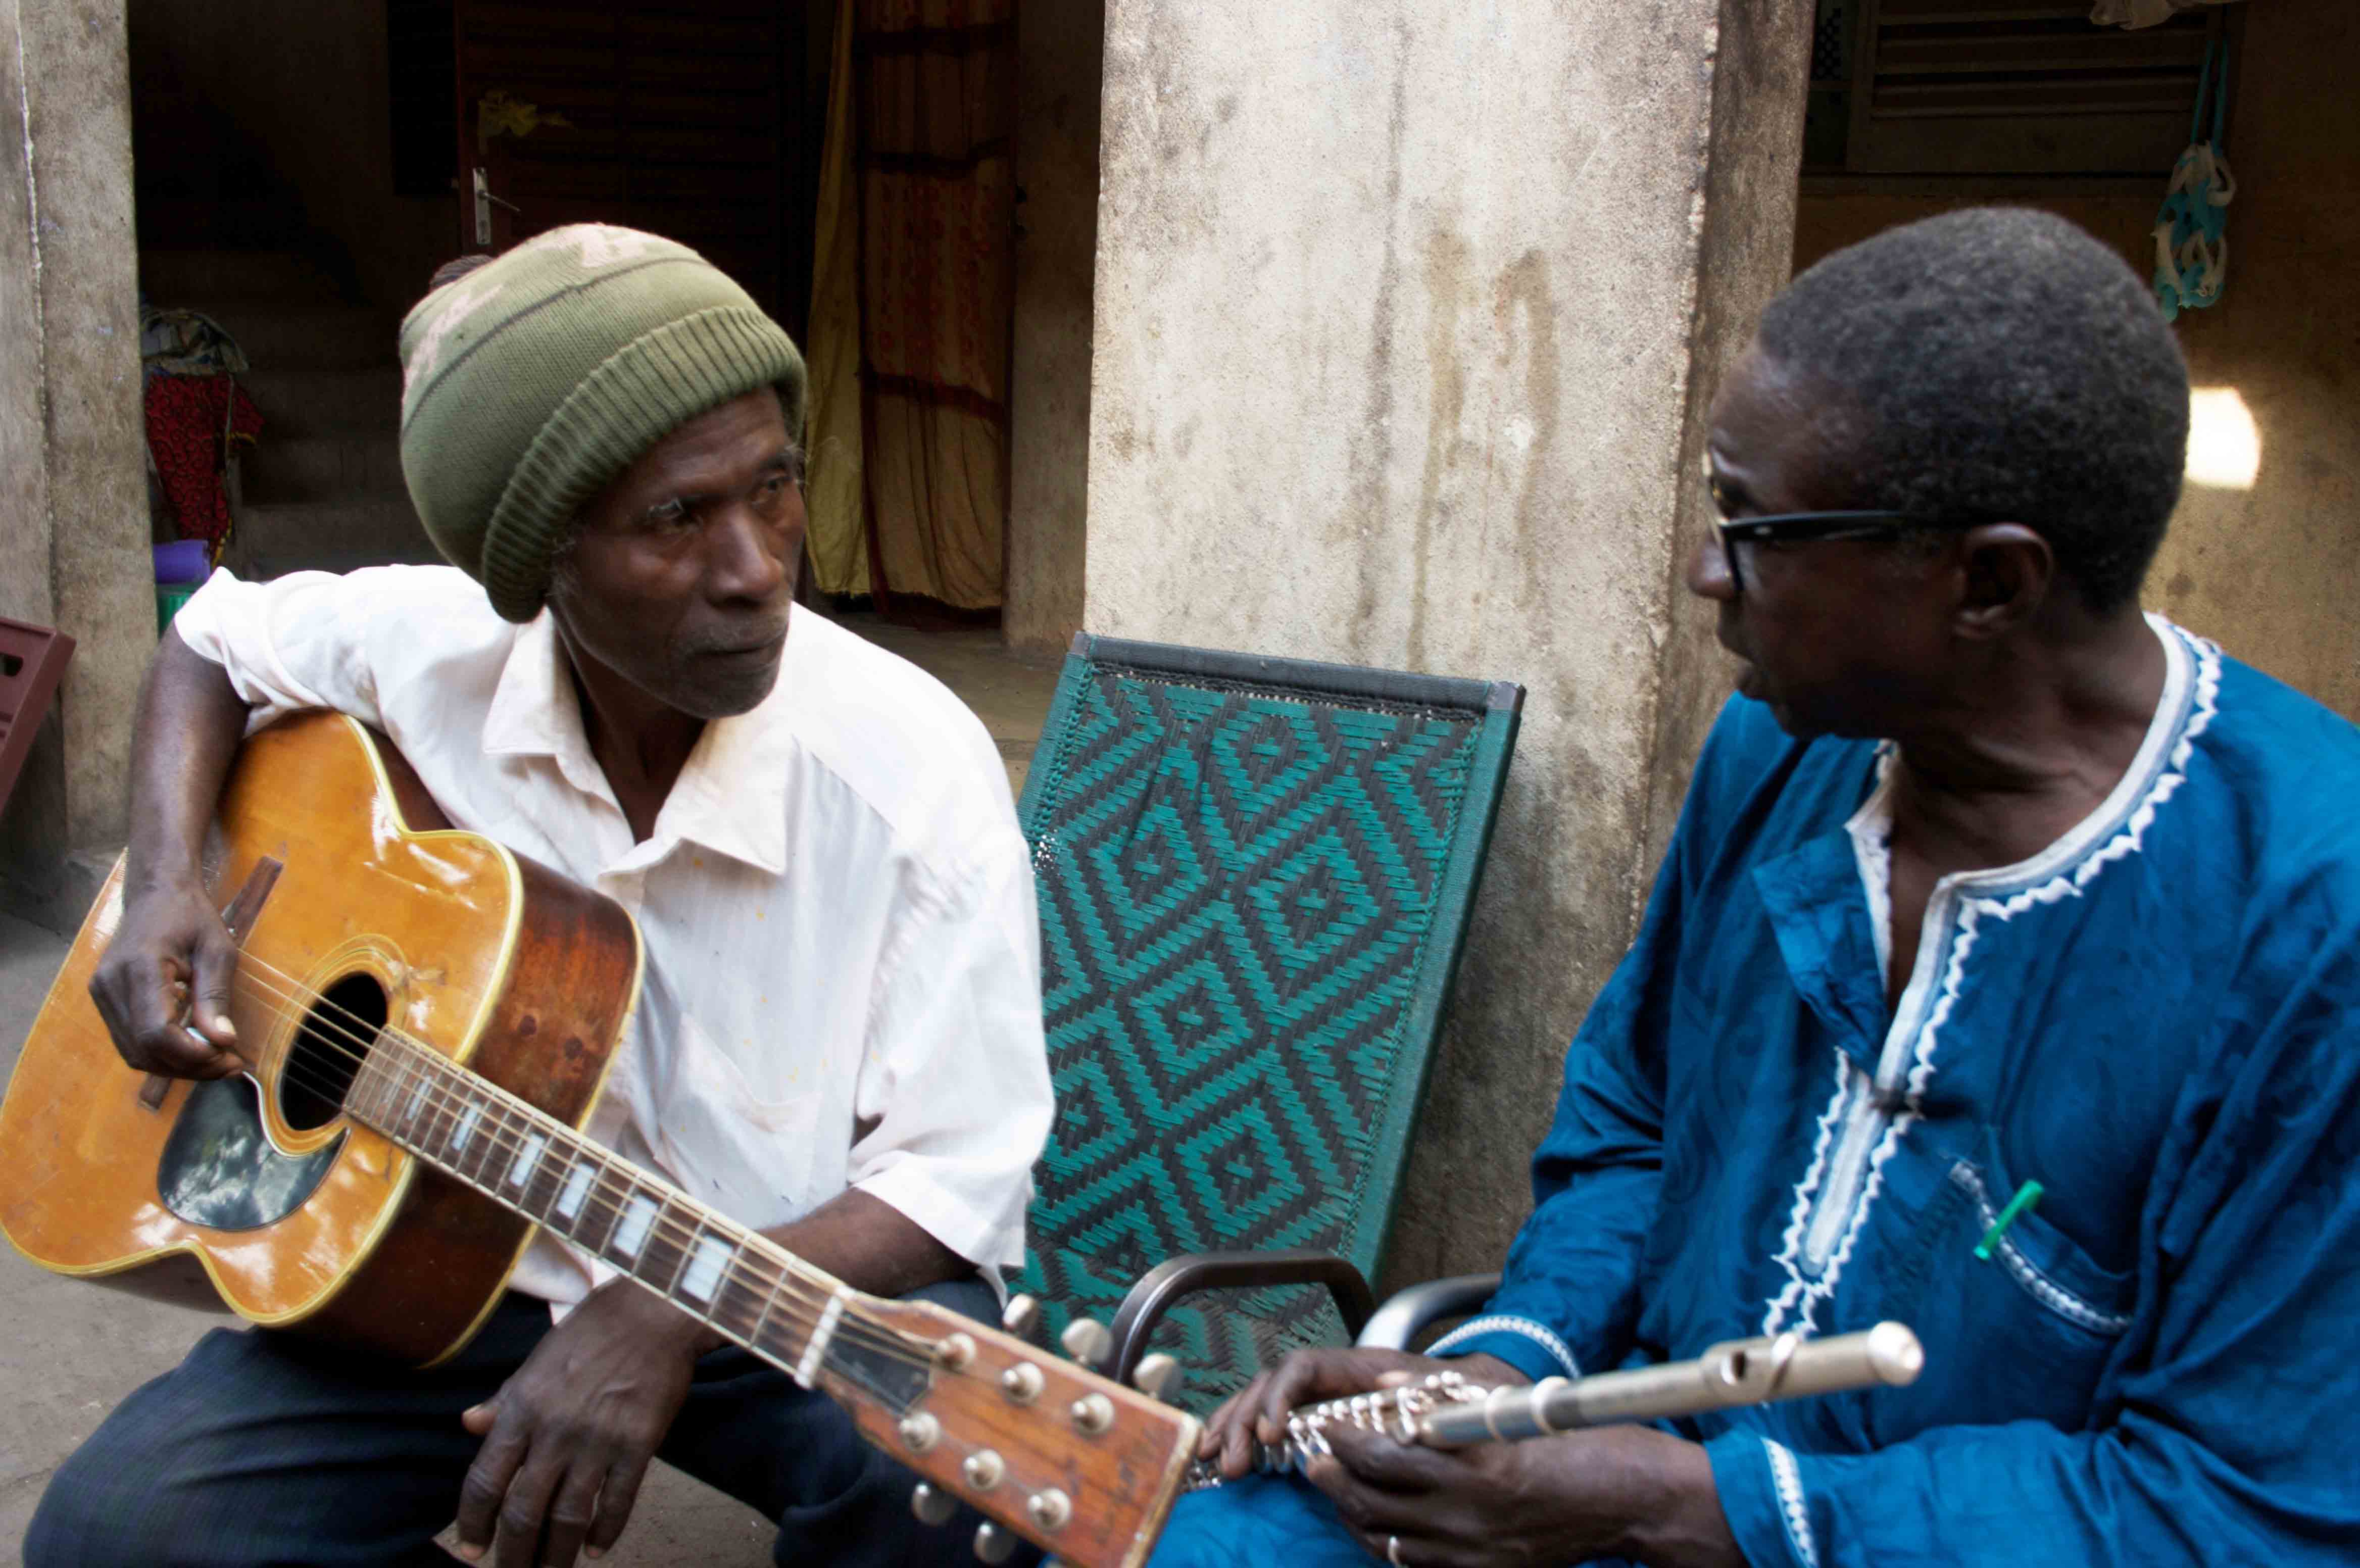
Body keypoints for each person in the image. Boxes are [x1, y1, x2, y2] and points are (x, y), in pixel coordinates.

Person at [1153, 207, 2360, 1566]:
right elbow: (1636, 1119)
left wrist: (1694, 1509)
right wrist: (1514, 1371)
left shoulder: (2316, 923)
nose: (1704, 571)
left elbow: (2247, 1513)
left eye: (1752, 524)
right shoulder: (1780, 754)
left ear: (1987, 583)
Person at [25, 226, 1054, 1568]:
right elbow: (210, 641)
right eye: (677, 519)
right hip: (454, 1261)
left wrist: (667, 1315)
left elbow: (953, 1181)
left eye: (776, 487)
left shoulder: (907, 768)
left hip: (778, 1287)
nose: (758, 569)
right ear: (536, 565)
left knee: (962, 1502)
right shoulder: (432, 642)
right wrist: (167, 887)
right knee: (119, 1534)